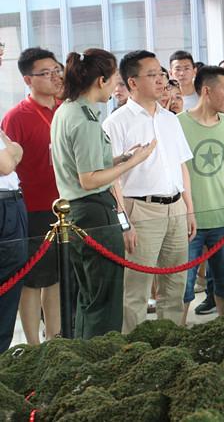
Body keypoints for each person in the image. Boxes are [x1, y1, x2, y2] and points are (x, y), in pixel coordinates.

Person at [51, 48, 155, 339]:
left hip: (80, 210)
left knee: (90, 296)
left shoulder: (68, 110)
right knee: (104, 299)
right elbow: (88, 179)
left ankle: (86, 353)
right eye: (115, 81)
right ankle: (100, 355)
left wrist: (121, 157)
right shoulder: (83, 119)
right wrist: (133, 163)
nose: (116, 88)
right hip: (93, 210)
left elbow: (87, 164)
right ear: (101, 81)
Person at [103, 50, 195, 333]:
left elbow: (181, 166)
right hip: (140, 210)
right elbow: (112, 180)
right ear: (132, 82)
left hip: (176, 208)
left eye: (161, 74)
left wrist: (189, 209)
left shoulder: (170, 119)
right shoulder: (116, 122)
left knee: (175, 285)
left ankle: (168, 343)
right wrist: (124, 223)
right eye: (152, 75)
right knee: (136, 290)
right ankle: (134, 349)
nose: (161, 80)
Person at [1, 47, 63, 345]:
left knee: (58, 279)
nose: (54, 77)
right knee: (31, 279)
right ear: (28, 80)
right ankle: (32, 344)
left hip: (65, 207)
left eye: (56, 70)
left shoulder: (65, 109)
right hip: (32, 209)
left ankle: (54, 338)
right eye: (45, 73)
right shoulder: (16, 117)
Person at [177, 66, 224, 319]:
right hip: (186, 217)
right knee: (183, 286)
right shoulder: (177, 124)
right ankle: (178, 333)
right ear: (206, 90)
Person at [0, 127, 26, 353]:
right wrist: (13, 150)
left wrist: (12, 150)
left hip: (10, 204)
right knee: (7, 282)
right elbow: (7, 164)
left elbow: (17, 152)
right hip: (4, 206)